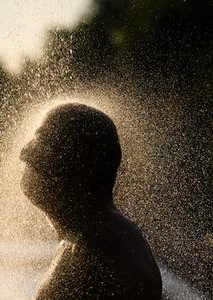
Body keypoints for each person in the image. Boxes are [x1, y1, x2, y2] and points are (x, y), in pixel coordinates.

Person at [20, 103, 162, 299]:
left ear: (79, 163)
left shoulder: (97, 248)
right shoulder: (94, 236)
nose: (24, 153)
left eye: (43, 142)